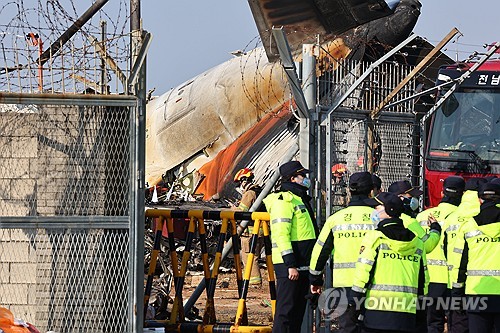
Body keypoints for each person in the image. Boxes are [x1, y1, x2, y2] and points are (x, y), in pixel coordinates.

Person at [352, 192, 429, 333]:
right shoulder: (417, 242)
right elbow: (423, 281)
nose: (373, 211)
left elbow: (363, 273)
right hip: (407, 314)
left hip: (376, 313)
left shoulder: (375, 238)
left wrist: (354, 303)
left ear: (387, 211)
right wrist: (421, 311)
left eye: (376, 207)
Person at [309, 171, 375, 332]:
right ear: (371, 190)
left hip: (344, 285)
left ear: (349, 191)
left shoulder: (335, 219)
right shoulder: (379, 218)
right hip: (374, 283)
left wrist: (315, 279)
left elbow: (320, 251)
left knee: (347, 326)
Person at [263, 160, 317, 333]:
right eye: (303, 176)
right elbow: (281, 234)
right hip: (289, 267)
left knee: (297, 314)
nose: (306, 179)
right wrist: (290, 264)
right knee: (285, 313)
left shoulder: (298, 199)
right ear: (293, 178)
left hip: (301, 265)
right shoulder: (283, 201)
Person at [416, 176, 465, 333]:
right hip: (453, 281)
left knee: (431, 324)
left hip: (429, 280)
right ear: (462, 195)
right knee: (456, 324)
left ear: (442, 192)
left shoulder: (423, 216)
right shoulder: (463, 217)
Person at [450, 181, 500, 333]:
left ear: (479, 200)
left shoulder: (469, 225)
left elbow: (461, 262)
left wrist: (457, 293)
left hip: (476, 293)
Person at [444, 177, 487, 333]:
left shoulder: (451, 217)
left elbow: (444, 247)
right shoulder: (484, 216)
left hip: (454, 283)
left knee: (458, 325)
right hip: (481, 284)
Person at [388, 180, 441, 254]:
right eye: (411, 196)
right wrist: (435, 228)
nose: (414, 199)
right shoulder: (409, 221)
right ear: (400, 198)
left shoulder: (383, 217)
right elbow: (428, 245)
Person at [231, 168, 264, 286]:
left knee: (249, 256)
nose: (240, 185)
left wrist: (231, 208)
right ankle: (253, 281)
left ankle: (254, 282)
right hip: (259, 229)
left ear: (244, 180)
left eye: (240, 182)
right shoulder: (259, 191)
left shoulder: (250, 193)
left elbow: (241, 211)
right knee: (253, 255)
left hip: (250, 231)